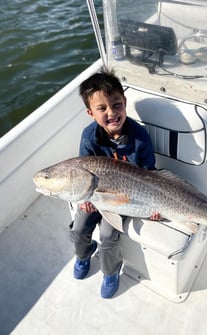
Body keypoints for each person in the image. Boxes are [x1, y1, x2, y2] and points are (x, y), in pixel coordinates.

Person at [69, 69, 159, 299]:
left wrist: (154, 208)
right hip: (94, 194)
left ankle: (110, 271)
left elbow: (150, 176)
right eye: (102, 109)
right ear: (91, 112)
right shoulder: (89, 137)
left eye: (116, 105)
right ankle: (83, 255)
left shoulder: (140, 136)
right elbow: (83, 173)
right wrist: (85, 200)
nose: (111, 113)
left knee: (108, 234)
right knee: (78, 228)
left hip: (126, 198)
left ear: (124, 102)